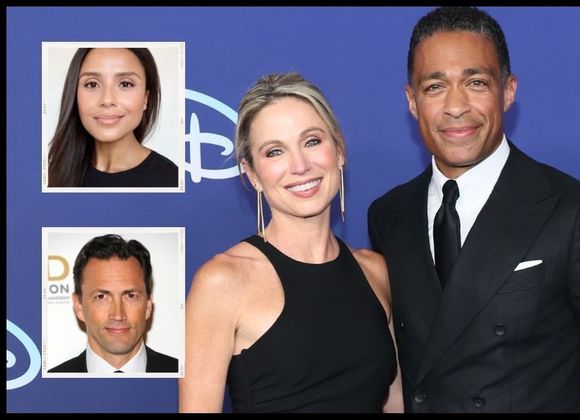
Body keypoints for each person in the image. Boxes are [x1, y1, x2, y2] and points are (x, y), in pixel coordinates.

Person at [367, 7, 580, 413]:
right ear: (412, 101)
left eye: (476, 82)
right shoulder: (389, 216)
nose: (456, 106)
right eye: (435, 86)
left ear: (508, 91)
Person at [179, 72, 403, 413]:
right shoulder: (222, 281)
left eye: (312, 141)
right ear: (252, 174)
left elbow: (396, 404)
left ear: (339, 150)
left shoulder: (376, 272)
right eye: (274, 152)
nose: (299, 165)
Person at [47, 47, 178, 188]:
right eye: (92, 84)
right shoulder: (54, 174)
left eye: (125, 84)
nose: (107, 100)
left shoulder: (172, 181)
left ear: (145, 99)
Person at [48, 234, 178, 373]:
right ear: (79, 306)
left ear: (148, 305)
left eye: (130, 296)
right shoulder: (49, 381)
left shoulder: (183, 375)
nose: (118, 315)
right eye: (101, 296)